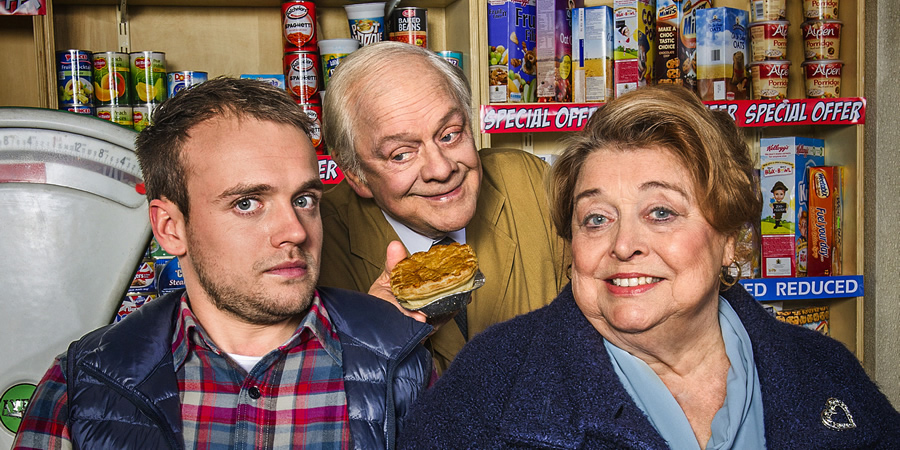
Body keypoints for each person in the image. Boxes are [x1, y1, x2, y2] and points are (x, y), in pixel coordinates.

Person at [397, 85, 900, 448]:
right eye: (596, 218)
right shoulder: (488, 387)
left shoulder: (826, 371)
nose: (623, 245)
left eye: (661, 212)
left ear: (730, 238)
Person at [13, 77, 433, 450]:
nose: (295, 231)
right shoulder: (82, 384)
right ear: (170, 227)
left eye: (304, 200)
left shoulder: (402, 359)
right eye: (247, 203)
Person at [319, 41, 570, 372]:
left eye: (450, 135)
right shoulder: (318, 242)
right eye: (401, 154)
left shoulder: (530, 182)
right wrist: (373, 341)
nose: (441, 169)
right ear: (356, 175)